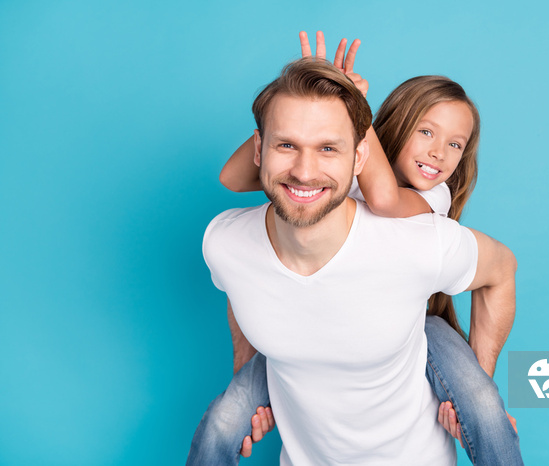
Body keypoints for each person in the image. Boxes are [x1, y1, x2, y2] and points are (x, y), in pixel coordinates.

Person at [188, 40, 520, 466]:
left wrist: (349, 104)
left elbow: (383, 200)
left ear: (359, 153)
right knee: (223, 417)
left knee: (481, 402)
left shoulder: (427, 207)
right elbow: (233, 179)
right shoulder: (233, 239)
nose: (439, 152)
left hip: (424, 326)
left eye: (456, 144)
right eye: (427, 132)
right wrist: (317, 108)